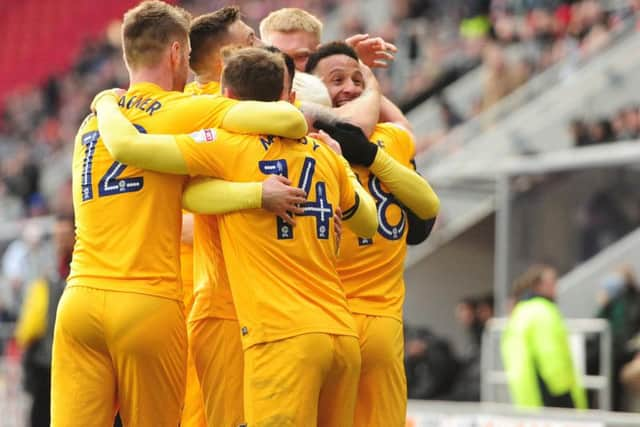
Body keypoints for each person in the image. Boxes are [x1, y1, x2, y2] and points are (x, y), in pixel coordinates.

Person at [51, 1, 309, 426]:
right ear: (175, 53)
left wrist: (105, 101)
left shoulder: (90, 125)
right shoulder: (183, 111)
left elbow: (180, 190)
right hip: (146, 303)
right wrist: (254, 191)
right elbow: (286, 117)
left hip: (79, 302)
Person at [92, 46, 378, 427]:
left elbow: (145, 160)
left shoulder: (226, 146)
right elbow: (368, 223)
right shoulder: (325, 155)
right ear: (288, 98)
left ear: (227, 99)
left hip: (281, 337)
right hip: (342, 338)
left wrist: (106, 104)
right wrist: (339, 161)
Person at [306, 42, 440, 426]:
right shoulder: (395, 140)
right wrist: (370, 81)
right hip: (379, 322)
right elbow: (403, 127)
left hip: (325, 321)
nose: (349, 87)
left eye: (355, 80)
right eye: (337, 80)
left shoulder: (300, 144)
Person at [501, 264, 587, 409]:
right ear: (538, 285)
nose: (556, 286)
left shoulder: (520, 312)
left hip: (527, 394)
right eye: (552, 281)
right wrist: (566, 397)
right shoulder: (543, 312)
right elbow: (552, 358)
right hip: (552, 395)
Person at [14, 214, 73, 427]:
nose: (61, 240)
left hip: (72, 357)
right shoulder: (46, 268)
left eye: (66, 235)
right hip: (43, 357)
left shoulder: (80, 268)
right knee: (39, 414)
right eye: (58, 235)